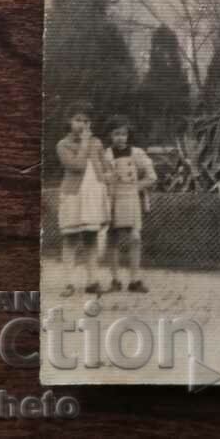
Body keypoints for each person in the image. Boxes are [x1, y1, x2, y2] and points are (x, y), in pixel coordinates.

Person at [55, 101, 109, 296]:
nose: (82, 124)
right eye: (78, 119)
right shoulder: (63, 144)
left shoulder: (97, 143)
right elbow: (76, 166)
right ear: (69, 121)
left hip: (93, 193)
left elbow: (104, 166)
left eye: (86, 120)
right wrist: (85, 143)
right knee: (70, 238)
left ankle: (92, 281)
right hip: (73, 195)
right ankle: (68, 282)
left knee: (91, 237)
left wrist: (108, 179)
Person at [101, 114, 158, 293]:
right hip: (111, 200)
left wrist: (136, 187)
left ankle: (134, 280)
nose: (120, 137)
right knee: (113, 239)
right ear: (110, 135)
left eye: (123, 134)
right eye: (116, 134)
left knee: (135, 238)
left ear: (128, 135)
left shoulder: (137, 153)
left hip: (131, 200)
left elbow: (151, 176)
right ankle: (115, 280)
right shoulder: (105, 155)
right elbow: (99, 177)